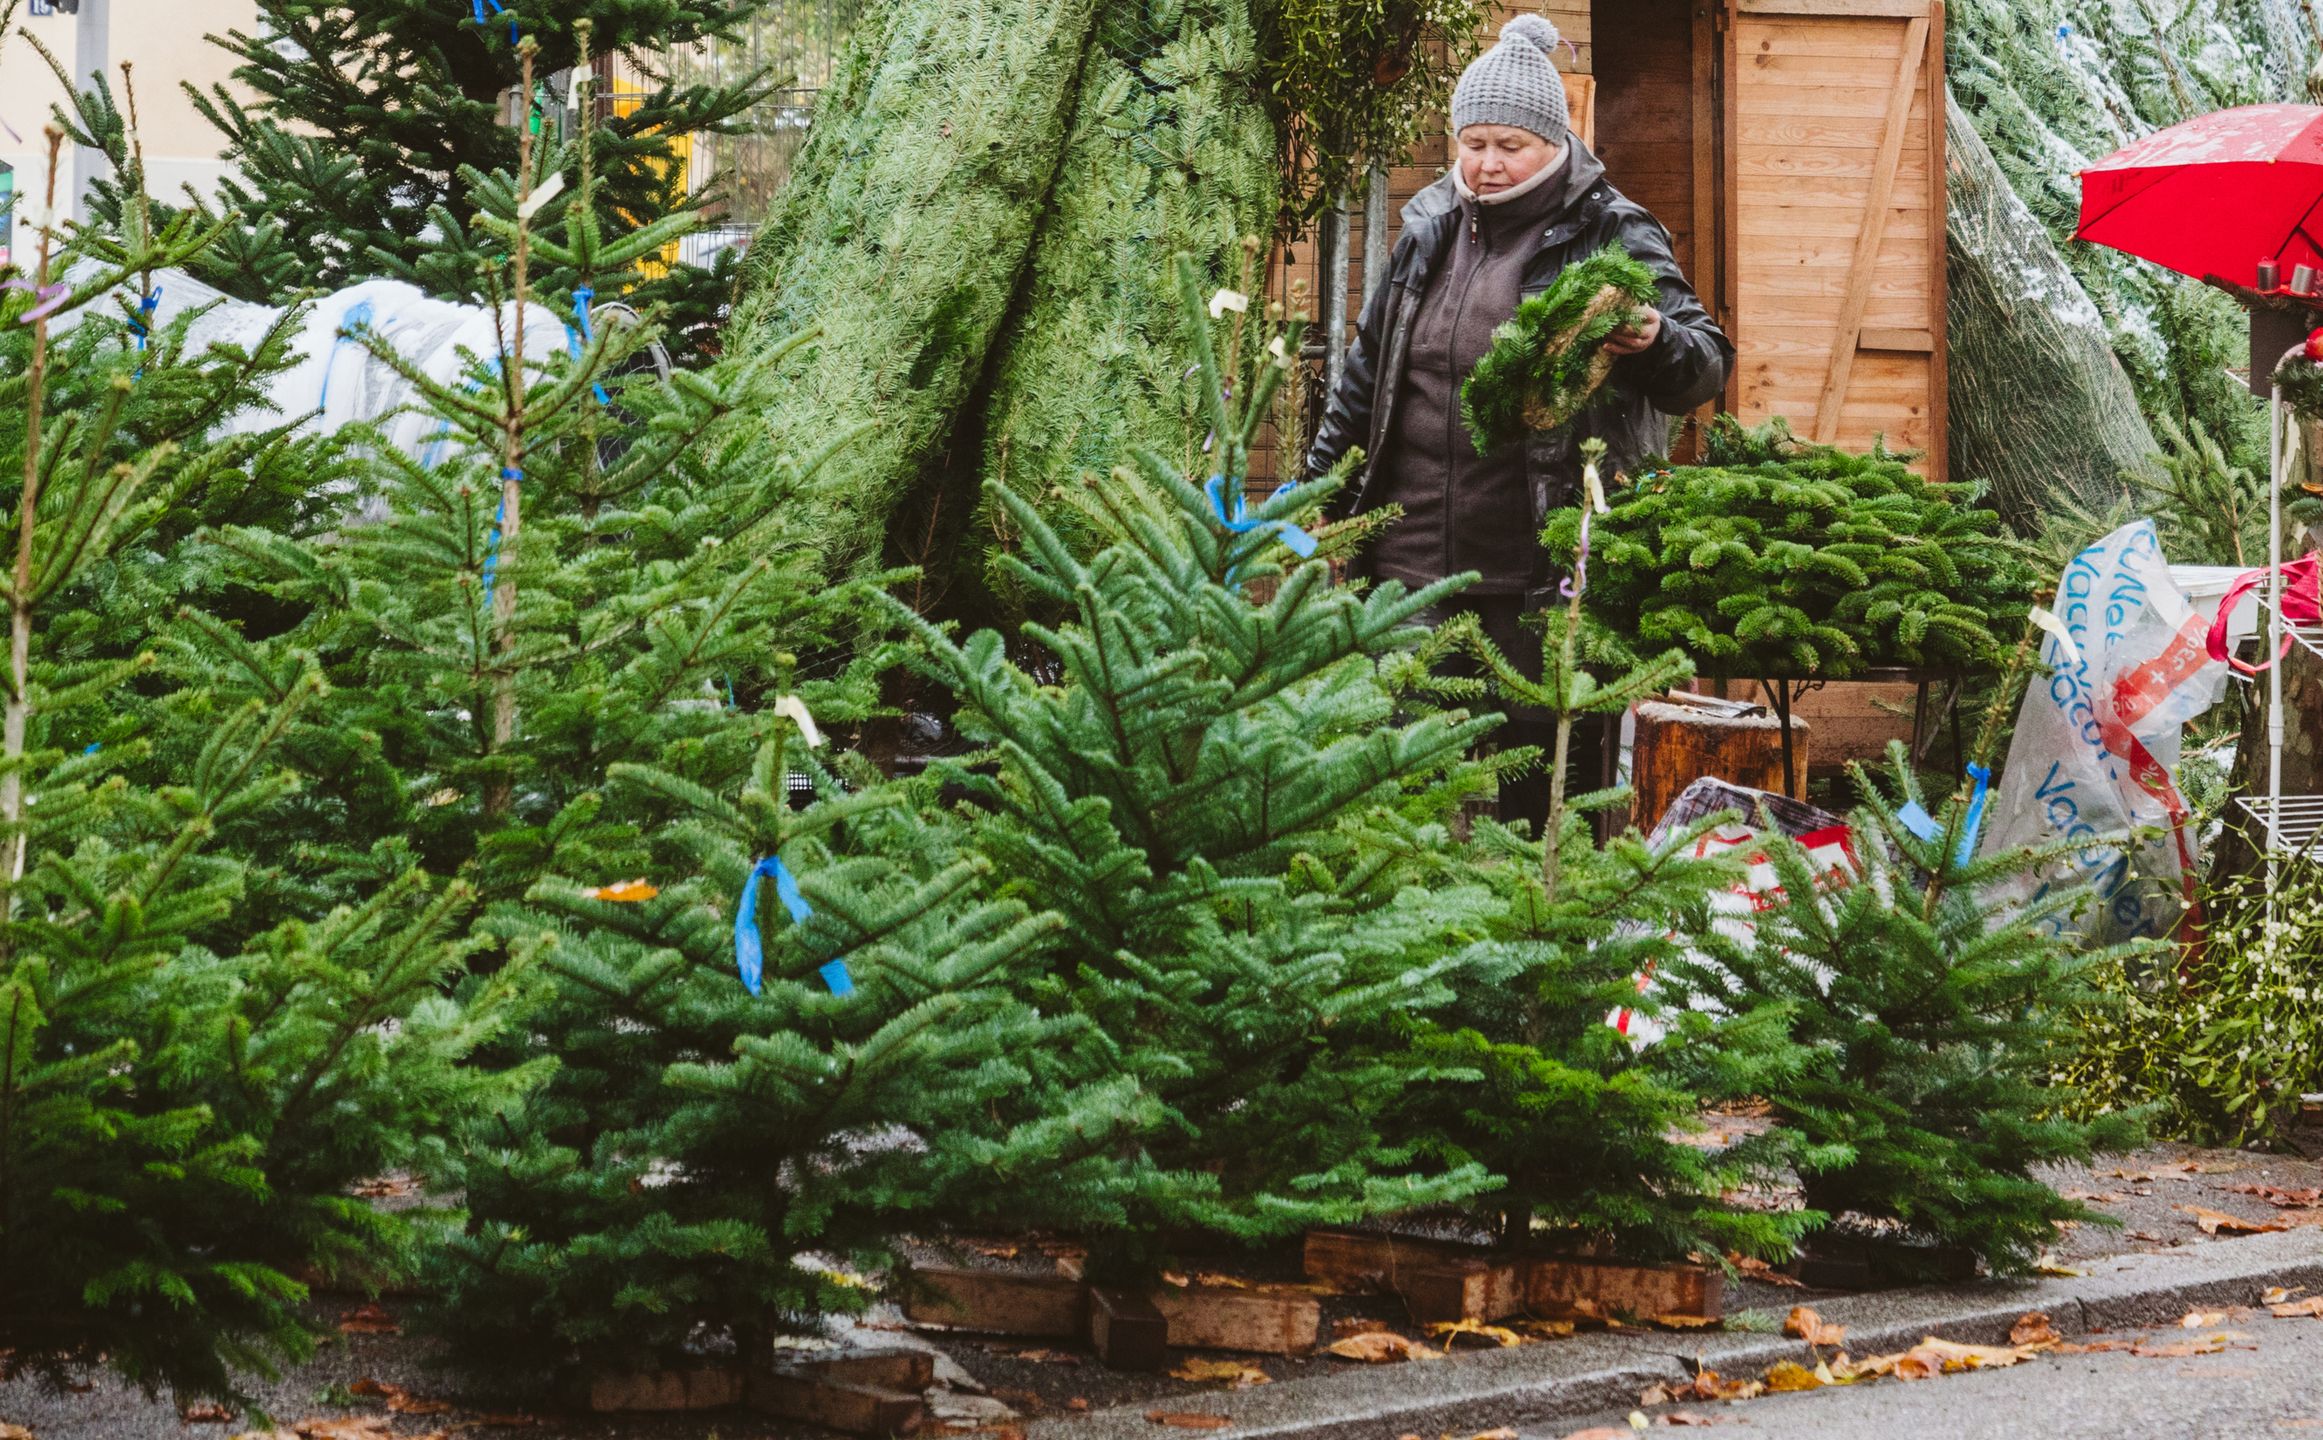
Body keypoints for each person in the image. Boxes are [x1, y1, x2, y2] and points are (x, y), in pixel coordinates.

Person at [1304, 13, 1732, 836]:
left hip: (1539, 567)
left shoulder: (1609, 229)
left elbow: (1702, 368)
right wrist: (1318, 488)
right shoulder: (1427, 226)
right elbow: (1367, 375)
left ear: (1552, 142)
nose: (1487, 164)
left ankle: (1540, 950)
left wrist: (1652, 338)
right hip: (1409, 561)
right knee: (1400, 785)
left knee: (1539, 800)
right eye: (1473, 143)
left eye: (1509, 144)